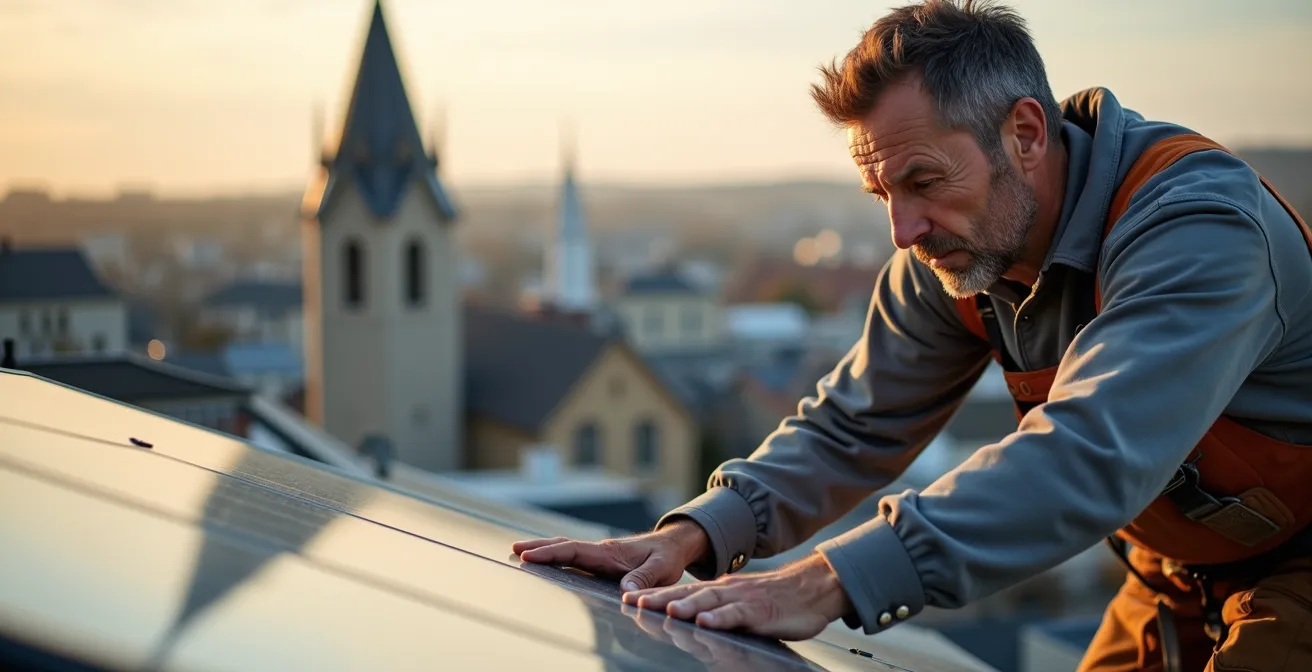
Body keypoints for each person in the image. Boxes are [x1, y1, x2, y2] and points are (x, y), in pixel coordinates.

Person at [513, 1, 1312, 669]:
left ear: (1026, 134)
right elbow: (854, 424)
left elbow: (1091, 452)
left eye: (925, 180)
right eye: (881, 190)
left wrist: (827, 581)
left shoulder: (1201, 234)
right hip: (1173, 574)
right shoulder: (959, 249)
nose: (902, 230)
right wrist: (694, 534)